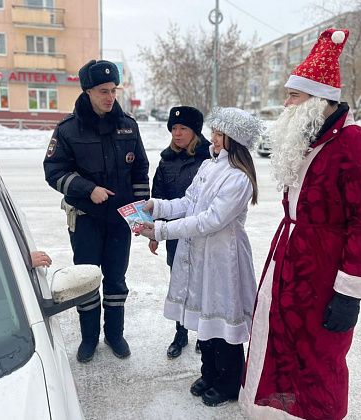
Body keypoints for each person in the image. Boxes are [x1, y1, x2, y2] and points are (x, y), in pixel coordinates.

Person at [239, 29, 361, 420]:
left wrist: (349, 292)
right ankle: (282, 410)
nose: (285, 105)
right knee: (281, 342)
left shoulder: (358, 145)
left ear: (318, 100)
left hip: (325, 275)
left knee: (321, 356)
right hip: (288, 261)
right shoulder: (308, 139)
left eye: (293, 96)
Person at [139, 107, 262, 407]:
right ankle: (209, 372)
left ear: (235, 139)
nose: (214, 139)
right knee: (204, 315)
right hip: (199, 253)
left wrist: (161, 231)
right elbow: (187, 202)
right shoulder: (208, 166)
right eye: (215, 133)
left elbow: (210, 220)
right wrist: (158, 207)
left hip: (224, 258)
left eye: (220, 134)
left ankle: (230, 381)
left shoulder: (239, 178)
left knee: (221, 317)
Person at [43, 59, 150, 363]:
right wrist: (87, 188)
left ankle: (115, 335)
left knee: (116, 280)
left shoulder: (128, 125)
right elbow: (54, 171)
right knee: (87, 278)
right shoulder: (68, 129)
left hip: (119, 221)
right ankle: (89, 338)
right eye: (103, 91)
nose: (110, 97)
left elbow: (140, 172)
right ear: (88, 91)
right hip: (86, 221)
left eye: (113, 90)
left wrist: (140, 218)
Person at [149, 106, 211, 359]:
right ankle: (181, 332)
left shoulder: (209, 159)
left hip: (204, 234)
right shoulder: (166, 160)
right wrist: (155, 233)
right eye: (173, 128)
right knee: (180, 283)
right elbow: (159, 196)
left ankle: (204, 334)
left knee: (204, 285)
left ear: (195, 131)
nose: (177, 133)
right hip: (174, 234)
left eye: (182, 128)